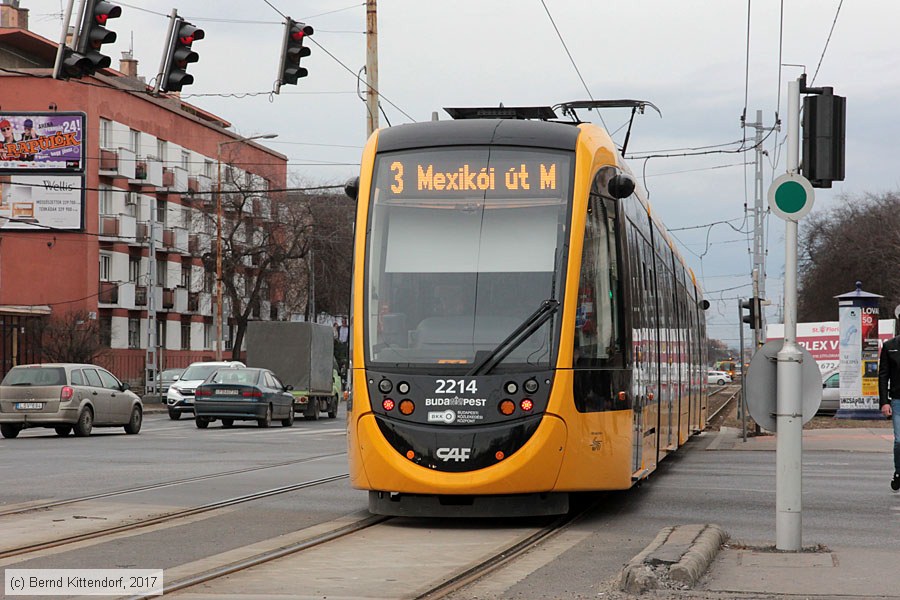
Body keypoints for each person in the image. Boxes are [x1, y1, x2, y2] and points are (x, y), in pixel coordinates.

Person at [877, 334, 900, 491]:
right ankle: (899, 472)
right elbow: (883, 376)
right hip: (897, 400)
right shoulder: (889, 346)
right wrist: (884, 402)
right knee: (899, 441)